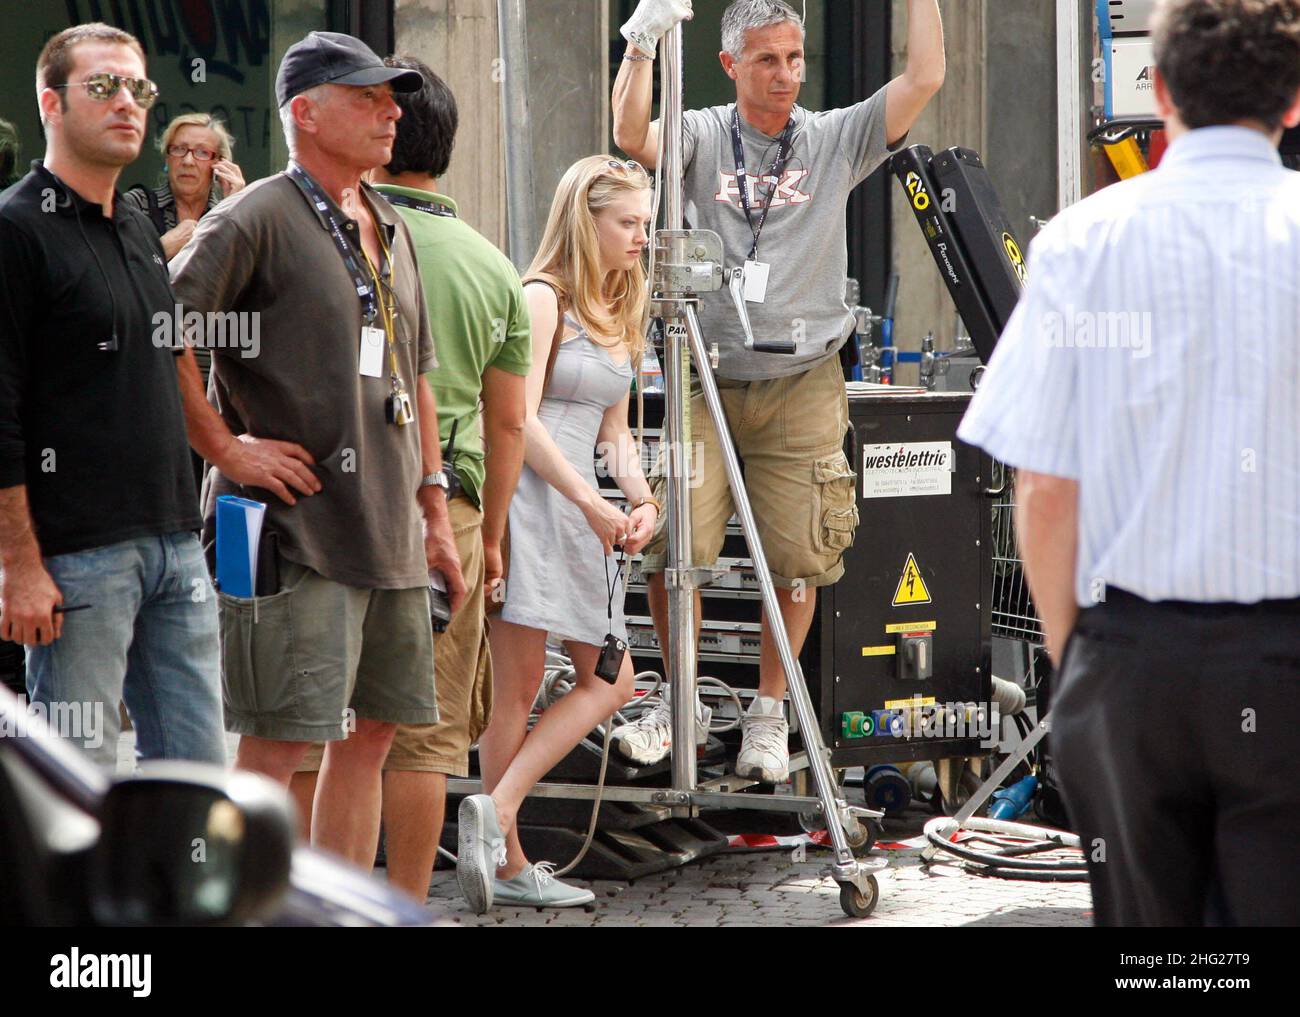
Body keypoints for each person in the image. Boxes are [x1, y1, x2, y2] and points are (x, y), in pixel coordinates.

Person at [958, 0, 1300, 927]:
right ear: (1296, 101)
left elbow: (1043, 486)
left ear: (1160, 90)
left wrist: (1079, 661)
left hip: (1134, 661)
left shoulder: (1083, 239)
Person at [609, 0, 944, 781]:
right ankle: (684, 699)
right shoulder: (699, 131)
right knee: (673, 543)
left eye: (796, 58)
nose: (787, 74)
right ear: (732, 65)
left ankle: (768, 712)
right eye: (768, 60)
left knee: (798, 555)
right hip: (704, 372)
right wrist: (639, 45)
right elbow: (632, 136)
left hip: (801, 379)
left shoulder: (830, 137)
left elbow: (924, 75)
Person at [168, 31, 467, 870]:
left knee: (373, 737)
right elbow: (166, 336)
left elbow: (419, 376)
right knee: (276, 747)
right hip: (286, 532)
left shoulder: (388, 222)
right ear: (305, 112)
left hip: (389, 530)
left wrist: (435, 509)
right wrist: (227, 448)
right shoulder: (255, 215)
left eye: (392, 95)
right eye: (368, 95)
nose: (390, 110)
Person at [290, 55, 531, 901]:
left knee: (311, 730)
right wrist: (492, 534)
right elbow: (509, 422)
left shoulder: (337, 228)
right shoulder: (494, 266)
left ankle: (299, 908)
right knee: (422, 739)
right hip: (450, 511)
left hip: (326, 502)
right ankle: (404, 911)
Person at [0, 22, 224, 768]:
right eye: (104, 86)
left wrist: (224, 448)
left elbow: (170, 350)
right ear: (51, 103)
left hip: (175, 540)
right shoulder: (15, 229)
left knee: (194, 780)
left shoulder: (133, 222)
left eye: (139, 88)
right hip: (75, 556)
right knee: (77, 781)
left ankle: (180, 890)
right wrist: (19, 565)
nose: (128, 102)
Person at [456, 156, 659, 914]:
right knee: (517, 690)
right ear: (587, 220)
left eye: (645, 222)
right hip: (537, 500)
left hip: (582, 510)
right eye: (628, 222)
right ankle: (506, 852)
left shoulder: (620, 304)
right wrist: (590, 502)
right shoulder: (544, 298)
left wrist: (641, 497)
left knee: (610, 680)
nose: (641, 236)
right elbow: (517, 419)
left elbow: (615, 433)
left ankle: (499, 809)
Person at [123, 113, 246, 261]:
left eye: (202, 152)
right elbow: (116, 274)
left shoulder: (222, 216)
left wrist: (235, 209)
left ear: (219, 163)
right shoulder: (136, 205)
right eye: (179, 149)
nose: (188, 161)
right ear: (167, 158)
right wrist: (162, 248)